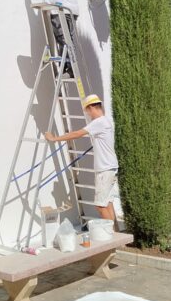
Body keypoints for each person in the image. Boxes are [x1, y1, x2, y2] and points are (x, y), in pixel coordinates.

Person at [44, 94, 119, 225]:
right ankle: (114, 235)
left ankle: (110, 238)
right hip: (110, 168)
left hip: (105, 170)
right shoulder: (106, 121)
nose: (88, 115)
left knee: (100, 206)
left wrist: (54, 138)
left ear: (91, 107)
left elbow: (77, 134)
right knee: (107, 203)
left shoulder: (99, 122)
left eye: (87, 111)